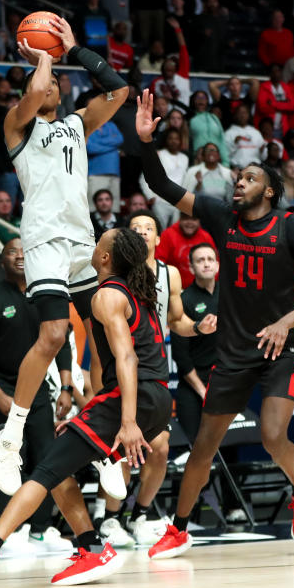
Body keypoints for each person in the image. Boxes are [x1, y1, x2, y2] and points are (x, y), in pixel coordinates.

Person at [136, 89, 294, 557]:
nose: (238, 183)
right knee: (203, 446)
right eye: (238, 177)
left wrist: (286, 322)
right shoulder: (219, 216)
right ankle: (180, 527)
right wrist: (145, 140)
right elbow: (161, 186)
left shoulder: (293, 226)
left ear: (268, 191)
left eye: (248, 178)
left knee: (270, 434)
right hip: (234, 351)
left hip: (280, 348)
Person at [0, 228, 173, 586]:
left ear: (106, 258)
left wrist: (126, 420)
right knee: (60, 466)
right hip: (151, 397)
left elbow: (126, 357)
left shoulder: (107, 295)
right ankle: (92, 545)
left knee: (44, 470)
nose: (93, 249)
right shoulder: (137, 294)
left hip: (133, 399)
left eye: (99, 244)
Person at [0, 14, 130, 496]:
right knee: (52, 335)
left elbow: (119, 92)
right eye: (43, 80)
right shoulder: (17, 125)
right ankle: (9, 438)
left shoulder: (76, 123)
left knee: (107, 336)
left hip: (81, 241)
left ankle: (104, 440)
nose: (51, 85)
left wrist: (75, 51)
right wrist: (44, 57)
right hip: (44, 238)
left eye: (55, 82)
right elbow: (32, 97)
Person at [99, 210, 216, 547]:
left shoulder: (170, 275)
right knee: (120, 449)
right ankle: (110, 519)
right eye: (135, 228)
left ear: (159, 238)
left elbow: (175, 320)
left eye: (149, 228)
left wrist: (196, 327)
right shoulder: (114, 276)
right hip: (119, 368)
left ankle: (140, 515)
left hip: (155, 367)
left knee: (160, 449)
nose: (143, 232)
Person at [0, 237, 75, 555]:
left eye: (26, 251)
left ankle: (40, 529)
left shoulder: (44, 298)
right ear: (2, 262)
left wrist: (66, 387)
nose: (20, 256)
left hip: (38, 390)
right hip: (2, 392)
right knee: (11, 460)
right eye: (12, 251)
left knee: (46, 458)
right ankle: (9, 531)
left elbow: (61, 343)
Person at [171, 242, 218, 444]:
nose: (206, 264)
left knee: (229, 447)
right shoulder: (184, 300)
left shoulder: (231, 295)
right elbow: (181, 356)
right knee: (195, 449)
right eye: (200, 260)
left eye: (210, 259)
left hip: (224, 382)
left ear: (217, 265)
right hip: (193, 386)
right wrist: (202, 391)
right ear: (191, 268)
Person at [155, 212, 214, 288]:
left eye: (194, 219)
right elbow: (158, 263)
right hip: (173, 289)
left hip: (203, 289)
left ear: (199, 221)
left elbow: (215, 264)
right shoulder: (167, 235)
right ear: (180, 219)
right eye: (186, 218)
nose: (189, 222)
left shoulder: (206, 237)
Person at [87, 121, 124, 212]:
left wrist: (99, 142)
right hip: (95, 173)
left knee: (115, 208)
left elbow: (120, 139)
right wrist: (113, 147)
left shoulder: (111, 125)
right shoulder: (88, 126)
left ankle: (114, 226)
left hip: (114, 173)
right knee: (94, 208)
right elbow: (90, 148)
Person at [223, 105, 264, 171]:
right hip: (238, 171)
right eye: (239, 113)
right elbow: (225, 154)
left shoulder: (256, 132)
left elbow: (263, 157)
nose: (242, 115)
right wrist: (234, 143)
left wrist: (263, 151)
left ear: (248, 115)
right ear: (235, 115)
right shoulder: (229, 133)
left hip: (255, 170)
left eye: (245, 113)